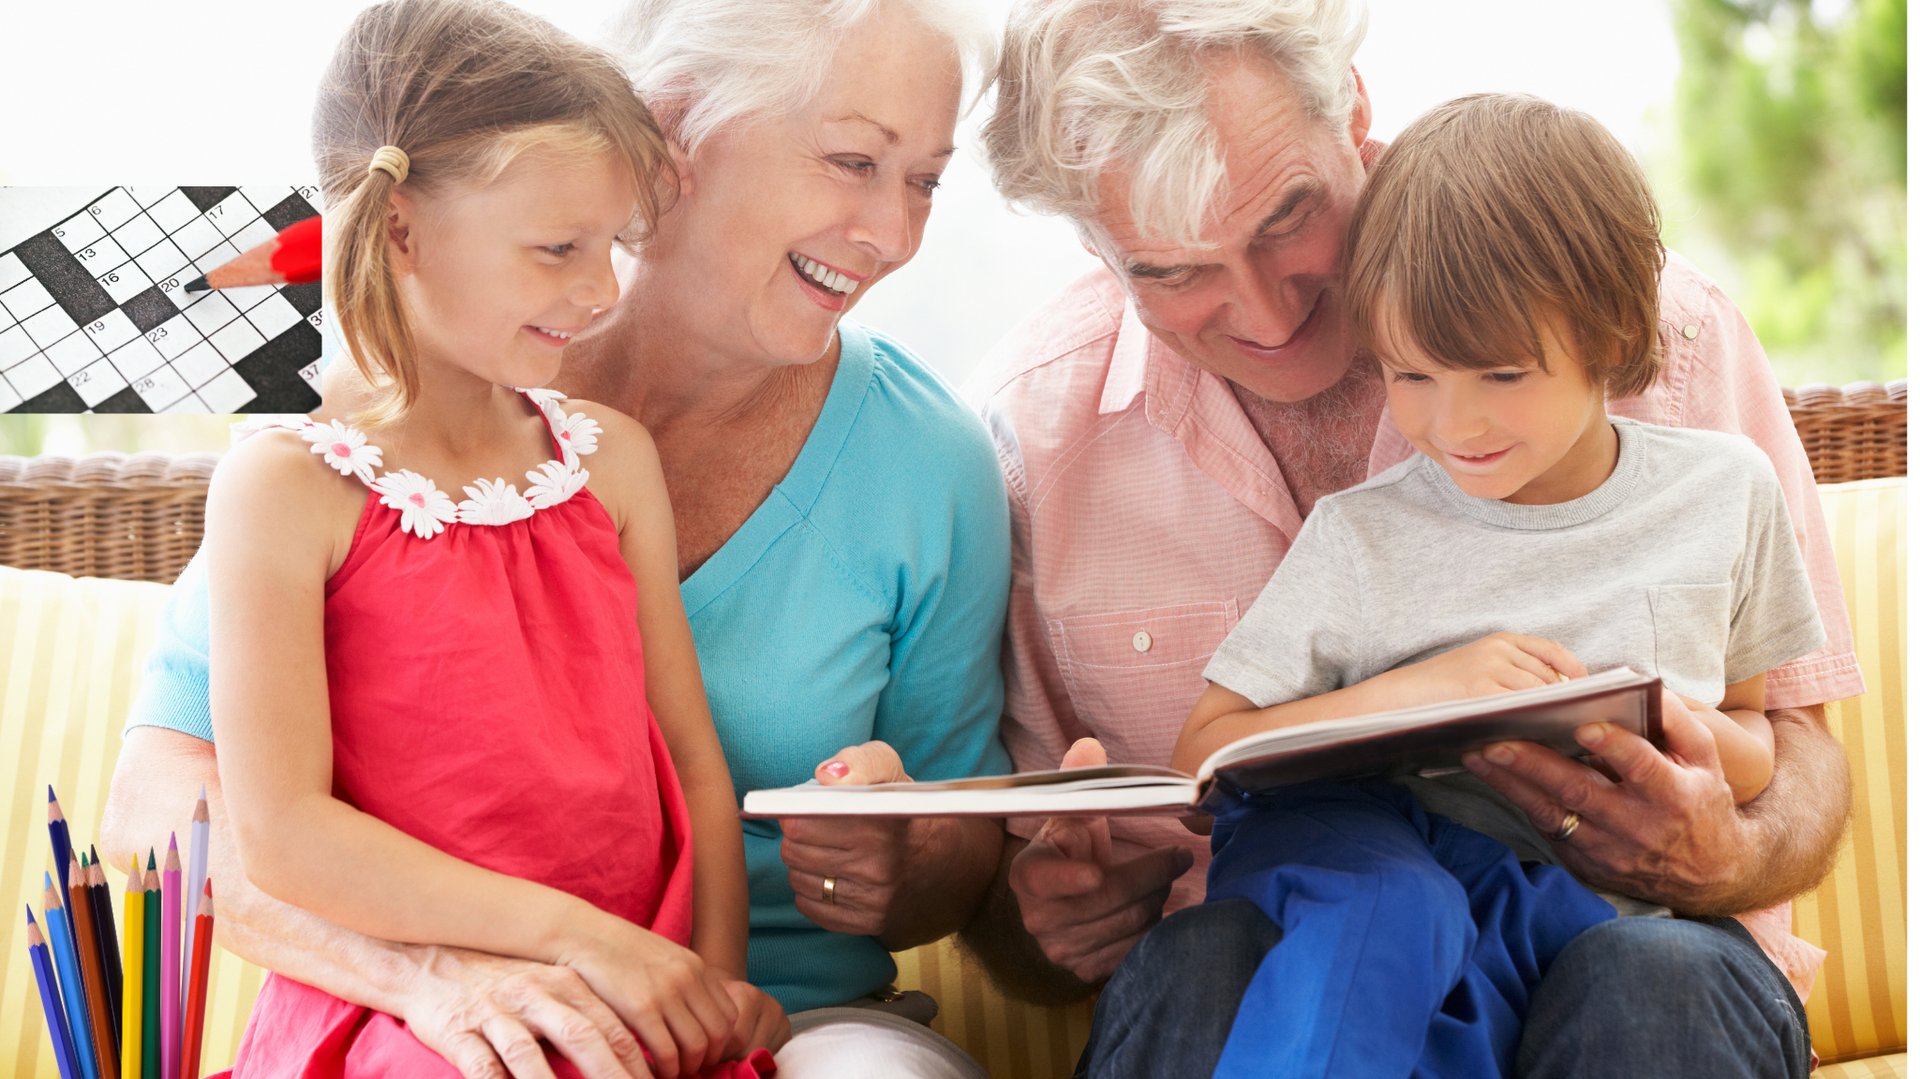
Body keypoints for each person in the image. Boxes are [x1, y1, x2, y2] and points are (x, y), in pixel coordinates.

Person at [102, 2, 1011, 1077]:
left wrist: (900, 859)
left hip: (782, 1023)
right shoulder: (335, 460)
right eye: (853, 159)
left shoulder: (920, 461)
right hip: (439, 1010)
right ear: (673, 131)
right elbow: (169, 807)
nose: (895, 237)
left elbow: (961, 855)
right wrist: (434, 975)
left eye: (925, 180)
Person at [963, 1, 1861, 1076]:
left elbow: (1794, 741)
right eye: (1170, 269)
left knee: (1651, 979)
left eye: (1285, 215)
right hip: (1293, 932)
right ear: (1094, 243)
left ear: (1348, 106)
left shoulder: (1652, 324)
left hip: (1636, 941)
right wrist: (1049, 921)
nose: (1260, 310)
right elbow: (1013, 899)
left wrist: (1727, 848)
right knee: (1211, 962)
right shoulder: (1036, 443)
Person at [1165, 91, 1824, 1078]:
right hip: (1383, 866)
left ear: (1609, 334)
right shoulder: (1364, 534)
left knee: (1611, 962)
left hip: (1575, 908)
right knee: (1397, 913)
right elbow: (1205, 756)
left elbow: (1757, 730)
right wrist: (1422, 688)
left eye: (1500, 375)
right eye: (1411, 375)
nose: (1453, 421)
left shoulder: (1725, 491)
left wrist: (1667, 734)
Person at [205, 2, 764, 1075]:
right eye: (558, 248)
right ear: (402, 229)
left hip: (637, 995)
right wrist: (579, 936)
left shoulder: (609, 459)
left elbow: (693, 762)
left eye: (609, 248)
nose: (601, 291)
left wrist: (721, 986)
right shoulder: (284, 489)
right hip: (418, 1019)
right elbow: (284, 833)